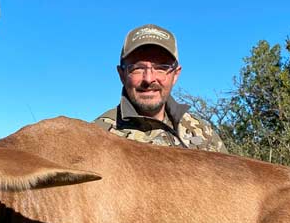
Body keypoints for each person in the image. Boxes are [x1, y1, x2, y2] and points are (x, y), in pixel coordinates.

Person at [95, 24, 227, 152]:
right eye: (137, 68)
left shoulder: (204, 134)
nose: (149, 78)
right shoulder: (98, 136)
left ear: (175, 74)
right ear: (122, 75)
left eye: (161, 68)